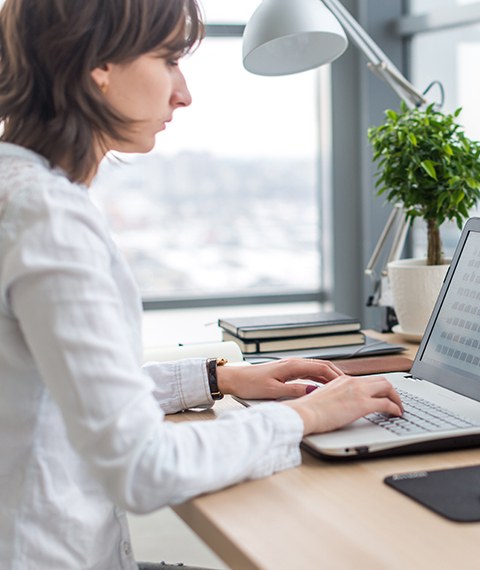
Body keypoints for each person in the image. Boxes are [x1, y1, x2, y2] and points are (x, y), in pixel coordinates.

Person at [0, 1, 403, 568]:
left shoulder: (16, 191)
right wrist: (307, 417)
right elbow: (143, 466)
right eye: (168, 60)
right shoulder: (47, 219)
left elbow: (60, 386)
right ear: (99, 65)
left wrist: (219, 378)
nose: (183, 93)